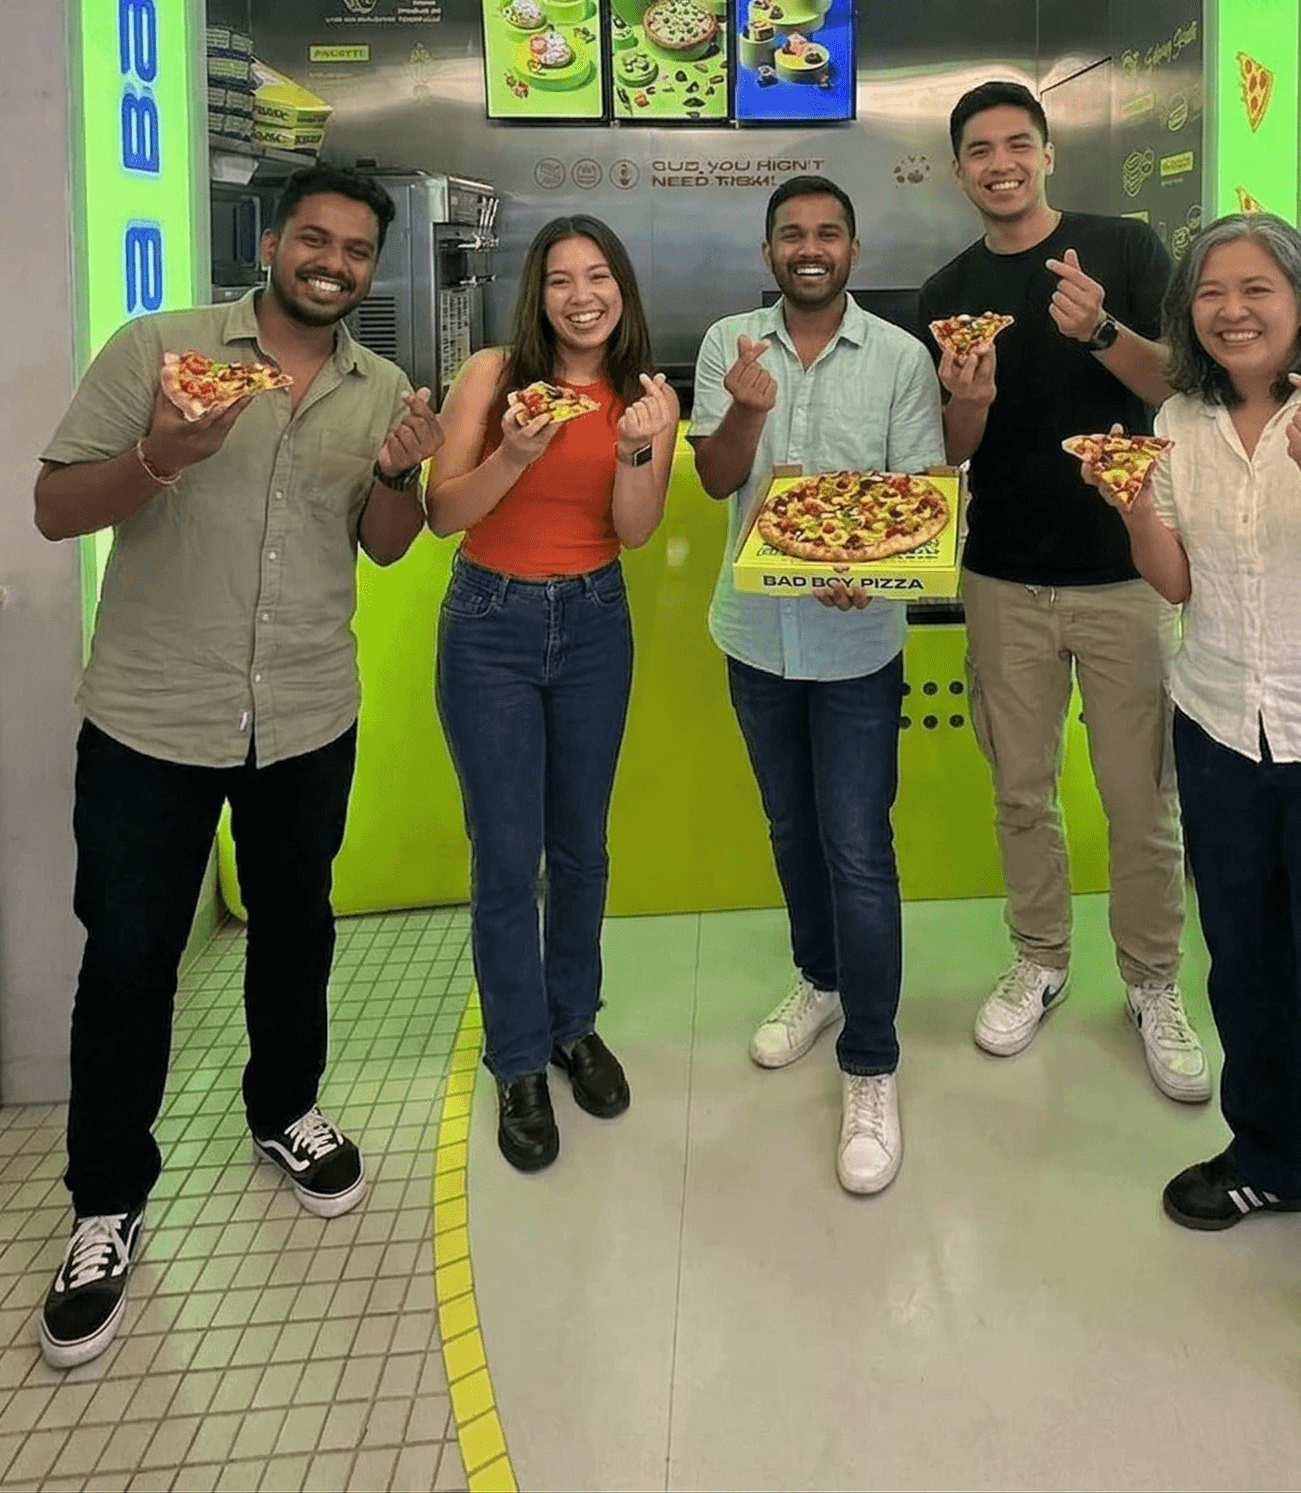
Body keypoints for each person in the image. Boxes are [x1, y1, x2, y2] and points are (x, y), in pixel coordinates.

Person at [32, 164, 443, 1369]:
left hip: (307, 711)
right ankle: (104, 1202)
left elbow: (383, 548)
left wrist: (399, 473)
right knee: (127, 957)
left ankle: (285, 1108)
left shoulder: (379, 391)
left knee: (297, 925)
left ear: (372, 266)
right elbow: (57, 507)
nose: (333, 262)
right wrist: (159, 453)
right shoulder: (159, 349)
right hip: (151, 718)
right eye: (313, 239)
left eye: (356, 249)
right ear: (270, 243)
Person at [1084, 212, 1301, 1493]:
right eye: (1207, 292)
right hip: (1220, 734)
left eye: (1251, 287)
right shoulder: (1176, 425)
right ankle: (1273, 1158)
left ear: (1299, 297)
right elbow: (1172, 583)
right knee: (1248, 985)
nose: (1226, 308)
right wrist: (1125, 505)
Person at [916, 80, 1209, 1102]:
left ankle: (1153, 984)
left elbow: (1182, 381)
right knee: (1018, 792)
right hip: (1000, 576)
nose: (998, 163)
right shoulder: (944, 291)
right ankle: (1039, 959)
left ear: (1045, 154)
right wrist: (968, 399)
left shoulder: (1119, 250)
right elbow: (950, 456)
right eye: (977, 151)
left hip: (1126, 572)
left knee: (1140, 803)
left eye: (1015, 144)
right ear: (957, 172)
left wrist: (1095, 331)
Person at [690, 176, 944, 1196]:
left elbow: (910, 496)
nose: (808, 247)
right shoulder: (727, 346)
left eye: (826, 232)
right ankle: (822, 981)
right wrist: (746, 416)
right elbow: (715, 480)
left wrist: (873, 567)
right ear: (768, 252)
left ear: (851, 246)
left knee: (855, 845)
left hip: (856, 645)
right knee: (789, 830)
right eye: (790, 234)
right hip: (752, 633)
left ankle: (871, 1062)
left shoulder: (898, 356)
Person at [426, 216, 677, 1173]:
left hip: (595, 623)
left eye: (599, 275)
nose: (582, 295)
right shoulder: (493, 376)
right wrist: (516, 454)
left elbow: (636, 532)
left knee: (580, 849)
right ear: (537, 295)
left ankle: (574, 1026)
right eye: (561, 279)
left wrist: (638, 451)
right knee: (505, 857)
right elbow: (445, 512)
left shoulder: (642, 397)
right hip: (490, 625)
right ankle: (520, 1059)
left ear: (622, 291)